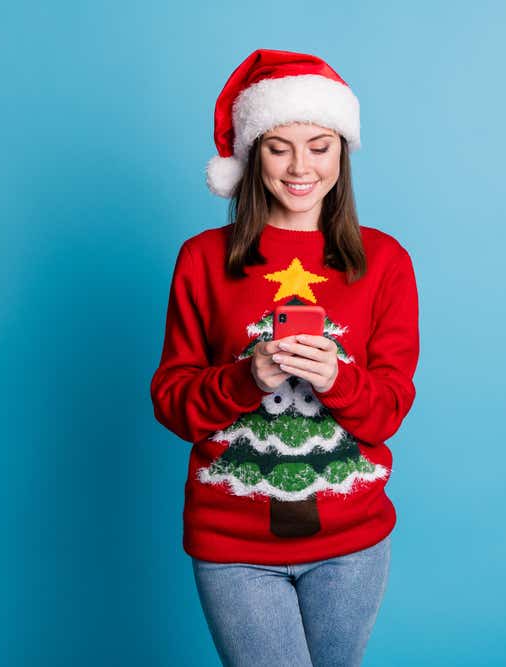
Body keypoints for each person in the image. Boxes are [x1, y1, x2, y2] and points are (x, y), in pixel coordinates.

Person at [150, 48, 420, 667]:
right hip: (233, 545)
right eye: (280, 147)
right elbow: (172, 401)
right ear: (252, 155)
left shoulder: (384, 262)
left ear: (342, 152)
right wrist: (247, 377)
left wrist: (340, 381)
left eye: (320, 146)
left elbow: (387, 413)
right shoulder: (202, 259)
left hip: (352, 544)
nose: (302, 167)